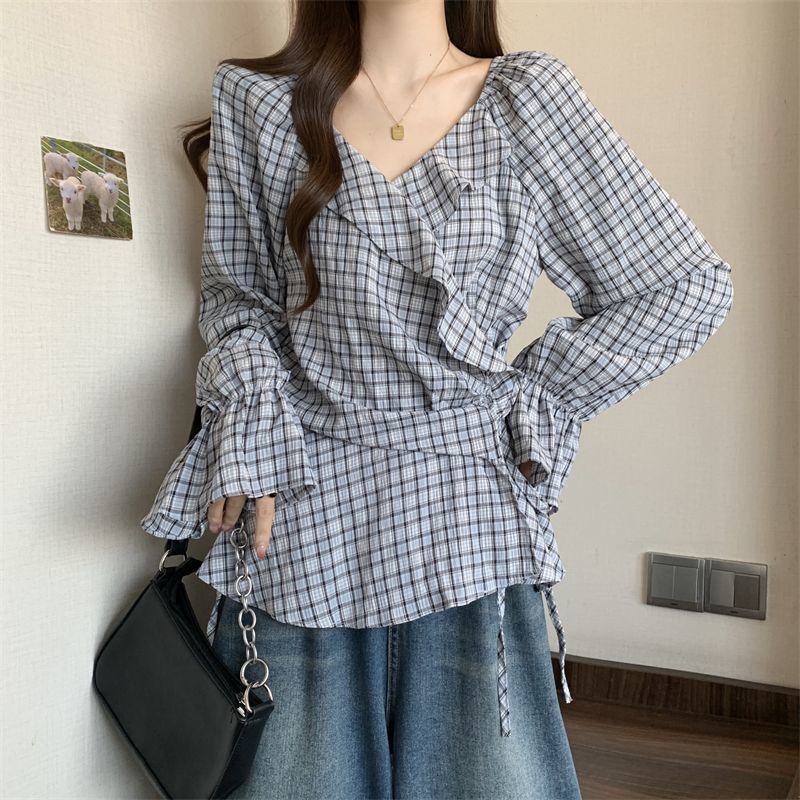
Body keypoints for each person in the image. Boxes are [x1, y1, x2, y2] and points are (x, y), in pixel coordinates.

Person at [139, 2, 734, 797]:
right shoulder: (259, 104)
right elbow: (238, 301)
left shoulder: (527, 100)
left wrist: (528, 402)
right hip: (304, 524)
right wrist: (253, 422)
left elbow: (685, 286)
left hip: (466, 530)